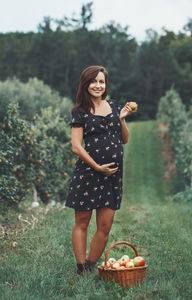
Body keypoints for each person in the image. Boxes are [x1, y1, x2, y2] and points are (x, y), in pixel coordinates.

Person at [65, 65, 137, 274]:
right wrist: (97, 167)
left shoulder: (114, 107)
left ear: (106, 85)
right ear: (86, 84)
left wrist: (121, 119)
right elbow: (76, 146)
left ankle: (90, 265)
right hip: (88, 173)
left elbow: (124, 139)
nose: (98, 85)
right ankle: (80, 268)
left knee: (105, 227)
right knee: (82, 222)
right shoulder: (80, 112)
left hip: (112, 175)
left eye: (101, 81)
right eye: (93, 81)